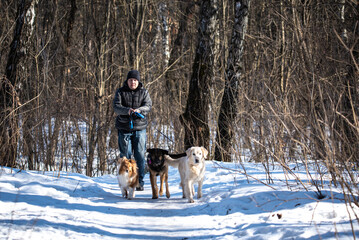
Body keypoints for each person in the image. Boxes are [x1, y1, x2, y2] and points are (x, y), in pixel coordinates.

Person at [113, 70, 152, 191]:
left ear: (138, 81)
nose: (133, 82)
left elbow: (148, 106)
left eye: (135, 80)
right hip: (124, 128)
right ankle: (126, 183)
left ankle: (139, 182)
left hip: (140, 128)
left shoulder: (144, 92)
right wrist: (127, 111)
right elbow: (116, 107)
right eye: (131, 80)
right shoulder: (120, 92)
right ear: (127, 81)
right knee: (125, 156)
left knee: (140, 156)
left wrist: (139, 110)